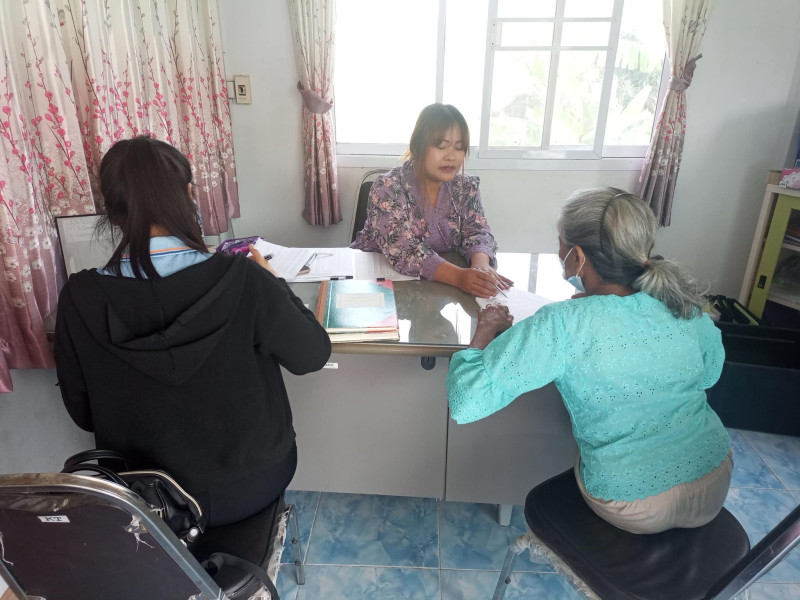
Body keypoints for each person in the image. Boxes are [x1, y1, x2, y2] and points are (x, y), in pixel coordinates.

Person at [54, 136, 331, 527]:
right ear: (188, 194)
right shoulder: (244, 279)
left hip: (146, 497)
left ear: (111, 213)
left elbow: (84, 414)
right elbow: (312, 355)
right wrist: (274, 282)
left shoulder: (79, 297)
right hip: (254, 482)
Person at [447, 187, 732, 535]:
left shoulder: (564, 323)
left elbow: (467, 402)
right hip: (715, 477)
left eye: (561, 244)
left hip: (632, 504)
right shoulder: (680, 302)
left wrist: (484, 331)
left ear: (577, 257)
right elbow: (710, 373)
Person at [351, 103, 512, 298]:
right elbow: (404, 250)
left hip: (438, 289)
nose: (451, 156)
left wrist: (481, 266)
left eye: (459, 147)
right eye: (441, 146)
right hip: (378, 285)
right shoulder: (388, 188)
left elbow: (478, 232)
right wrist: (460, 277)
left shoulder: (466, 187)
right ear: (418, 146)